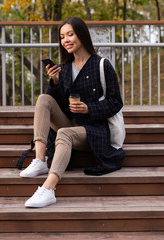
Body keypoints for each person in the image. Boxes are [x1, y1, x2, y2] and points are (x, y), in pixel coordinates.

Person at [20, 17, 125, 208]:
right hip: (70, 122)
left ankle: (49, 189)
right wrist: (55, 83)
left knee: (64, 133)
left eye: (70, 34)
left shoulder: (102, 65)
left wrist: (89, 108)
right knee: (43, 99)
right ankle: (40, 159)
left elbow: (116, 102)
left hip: (94, 130)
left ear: (81, 35)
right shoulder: (64, 69)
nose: (66, 40)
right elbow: (57, 104)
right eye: (62, 37)